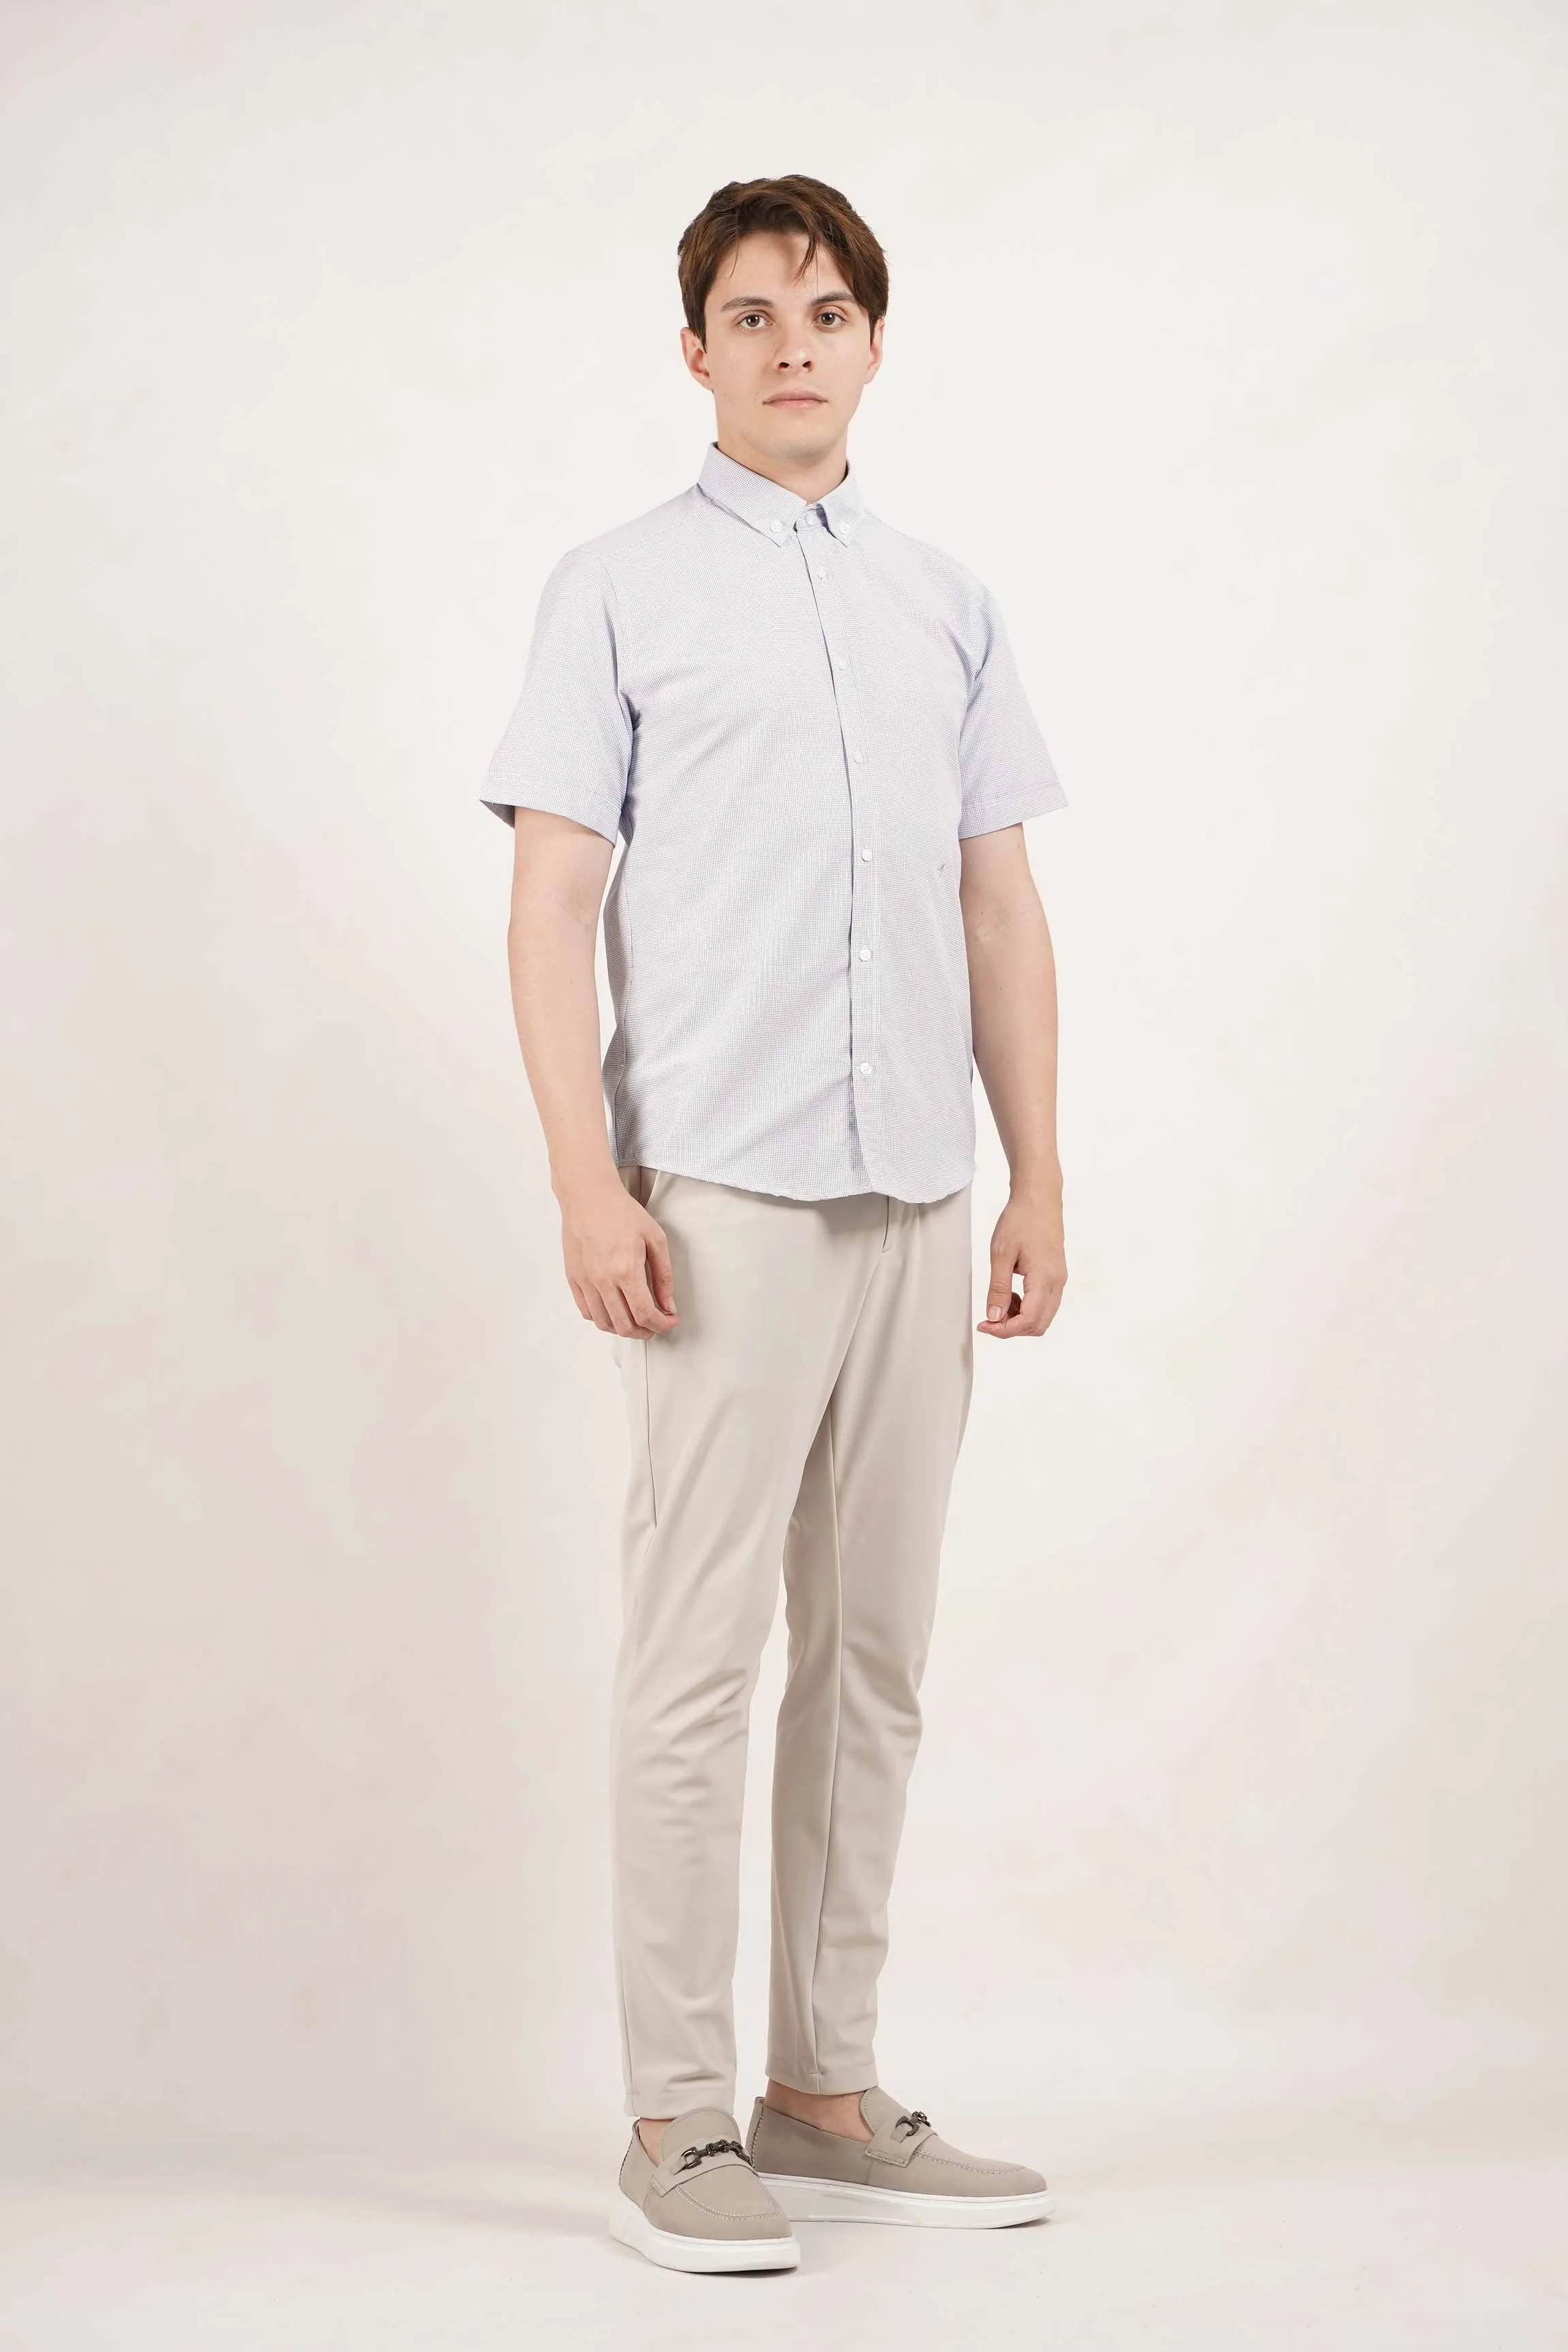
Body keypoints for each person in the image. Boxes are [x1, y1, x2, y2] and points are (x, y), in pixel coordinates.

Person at [481, 175, 1068, 2274]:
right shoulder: (615, 591)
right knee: (696, 1664)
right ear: (696, 352)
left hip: (918, 1188)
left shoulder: (944, 603)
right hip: (718, 1193)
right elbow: (551, 905)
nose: (791, 344)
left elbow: (997, 908)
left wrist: (1038, 1172)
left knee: (874, 1657)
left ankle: (822, 2090)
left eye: (825, 311)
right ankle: (674, 2118)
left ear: (873, 343)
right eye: (751, 314)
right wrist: (586, 1179)